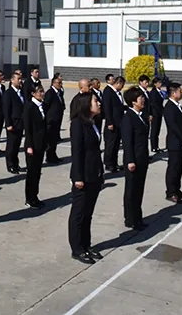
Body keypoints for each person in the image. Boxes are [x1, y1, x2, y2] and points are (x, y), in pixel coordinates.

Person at [68, 92, 105, 265]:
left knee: (88, 214)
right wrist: (78, 177)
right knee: (79, 214)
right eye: (95, 101)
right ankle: (77, 249)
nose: (99, 103)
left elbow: (95, 151)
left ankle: (86, 244)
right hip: (82, 176)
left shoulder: (93, 122)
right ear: (86, 105)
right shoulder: (77, 124)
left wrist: (100, 173)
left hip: (94, 174)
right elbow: (77, 152)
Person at [121, 87, 150, 231]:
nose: (143, 100)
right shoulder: (128, 118)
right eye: (140, 98)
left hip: (142, 158)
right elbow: (127, 142)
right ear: (133, 102)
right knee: (131, 191)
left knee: (139, 189)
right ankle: (130, 219)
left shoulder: (141, 116)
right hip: (134, 160)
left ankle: (138, 217)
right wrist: (130, 160)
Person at [163, 82, 182, 203]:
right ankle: (170, 192)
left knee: (179, 167)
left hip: (181, 142)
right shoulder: (169, 107)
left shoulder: (177, 105)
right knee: (173, 168)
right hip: (175, 142)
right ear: (173, 93)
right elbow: (174, 126)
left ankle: (177, 190)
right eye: (180, 91)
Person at [23, 84, 48, 208]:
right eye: (39, 92)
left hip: (40, 144)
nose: (42, 94)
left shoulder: (42, 106)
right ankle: (29, 198)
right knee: (32, 173)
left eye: (43, 91)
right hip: (32, 145)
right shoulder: (29, 107)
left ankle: (35, 196)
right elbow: (28, 128)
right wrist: (29, 145)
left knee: (37, 172)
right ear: (33, 94)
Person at [101, 76, 126, 172]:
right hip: (112, 123)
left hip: (118, 122)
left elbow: (118, 106)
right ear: (118, 83)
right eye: (122, 85)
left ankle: (114, 163)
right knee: (110, 145)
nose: (122, 87)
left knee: (116, 144)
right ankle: (109, 164)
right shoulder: (108, 91)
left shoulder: (117, 93)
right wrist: (109, 122)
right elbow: (107, 108)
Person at [2, 71, 25, 174]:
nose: (20, 81)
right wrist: (8, 124)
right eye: (18, 79)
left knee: (17, 144)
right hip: (13, 122)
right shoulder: (8, 93)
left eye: (21, 79)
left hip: (20, 122)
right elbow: (6, 110)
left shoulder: (21, 92)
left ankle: (16, 164)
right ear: (12, 80)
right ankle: (10, 164)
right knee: (11, 145)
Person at [43, 76, 65, 164]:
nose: (60, 84)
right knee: (50, 140)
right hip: (51, 121)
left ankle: (53, 155)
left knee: (54, 139)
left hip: (57, 119)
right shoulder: (50, 93)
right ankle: (49, 157)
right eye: (59, 83)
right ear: (53, 83)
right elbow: (45, 106)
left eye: (61, 83)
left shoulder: (59, 92)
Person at [148, 77, 165, 153]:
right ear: (155, 84)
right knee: (154, 130)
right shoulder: (154, 93)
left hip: (159, 113)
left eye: (161, 82)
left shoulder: (159, 91)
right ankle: (154, 147)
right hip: (155, 113)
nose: (160, 84)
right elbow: (154, 104)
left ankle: (156, 146)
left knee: (157, 130)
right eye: (159, 83)